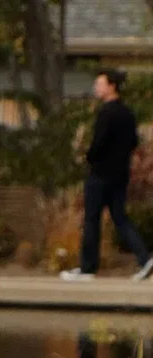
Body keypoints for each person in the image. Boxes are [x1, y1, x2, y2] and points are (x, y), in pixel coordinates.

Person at [61, 69, 153, 281]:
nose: (96, 88)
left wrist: (90, 158)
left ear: (112, 86)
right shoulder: (127, 113)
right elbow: (133, 143)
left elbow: (98, 143)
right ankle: (144, 257)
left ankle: (87, 268)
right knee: (120, 217)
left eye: (100, 84)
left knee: (92, 218)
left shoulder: (107, 113)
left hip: (101, 174)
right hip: (120, 173)